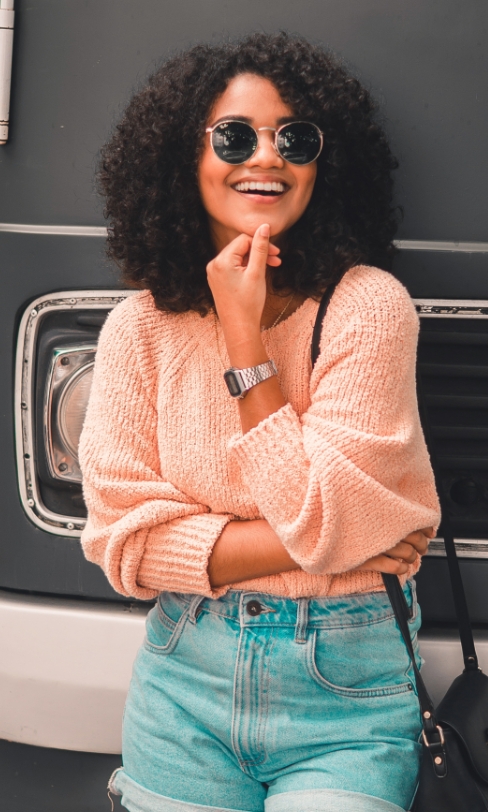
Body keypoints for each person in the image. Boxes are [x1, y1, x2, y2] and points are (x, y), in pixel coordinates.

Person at [79, 32, 440, 812]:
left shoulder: (368, 306)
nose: (267, 158)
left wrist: (244, 341)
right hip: (184, 680)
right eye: (236, 136)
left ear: (323, 166)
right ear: (185, 156)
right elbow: (120, 542)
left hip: (348, 685)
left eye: (295, 139)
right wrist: (359, 531)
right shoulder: (136, 329)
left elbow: (323, 524)